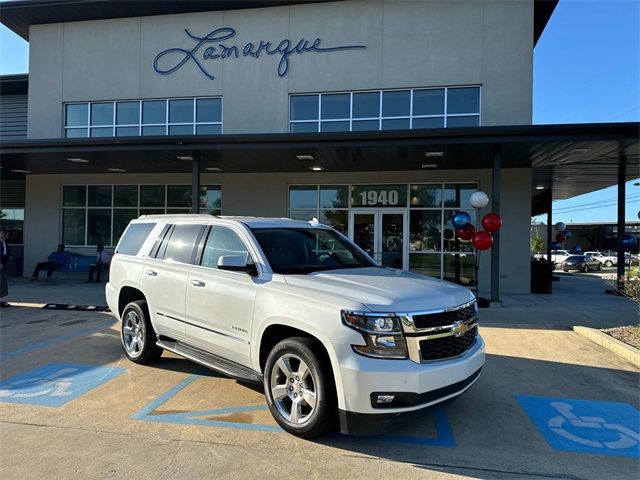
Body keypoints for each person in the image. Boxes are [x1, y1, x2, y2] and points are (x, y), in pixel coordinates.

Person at [0, 229, 10, 307]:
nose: (3, 234)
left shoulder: (5, 242)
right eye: (2, 233)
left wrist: (9, 256)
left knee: (3, 281)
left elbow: (6, 251)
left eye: (4, 233)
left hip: (4, 263)